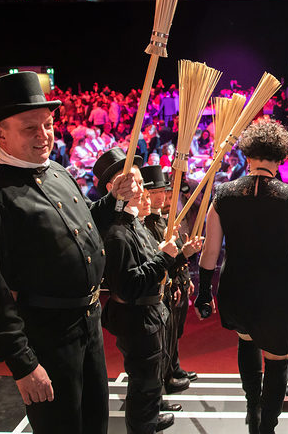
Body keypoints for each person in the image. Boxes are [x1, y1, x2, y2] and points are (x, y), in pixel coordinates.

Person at [0, 72, 139, 434]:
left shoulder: (57, 171)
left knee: (94, 424)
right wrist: (23, 364)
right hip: (46, 336)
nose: (44, 135)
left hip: (88, 323)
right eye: (30, 128)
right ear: (0, 134)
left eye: (48, 124)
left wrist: (114, 198)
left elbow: (85, 224)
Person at [193, 120, 288, 434]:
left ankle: (252, 405)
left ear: (248, 155)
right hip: (279, 293)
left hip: (238, 288)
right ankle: (266, 426)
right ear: (279, 158)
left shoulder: (224, 195)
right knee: (278, 359)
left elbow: (209, 253)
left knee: (246, 341)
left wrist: (204, 292)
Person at [94, 149, 200, 434]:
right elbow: (129, 286)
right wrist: (166, 258)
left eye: (141, 183)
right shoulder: (118, 232)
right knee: (143, 383)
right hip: (137, 316)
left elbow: (152, 263)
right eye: (133, 183)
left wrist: (175, 256)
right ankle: (143, 426)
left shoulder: (133, 224)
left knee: (151, 380)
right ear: (112, 189)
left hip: (150, 312)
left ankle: (149, 420)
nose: (141, 190)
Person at [139, 165, 200, 391]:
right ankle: (166, 377)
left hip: (175, 284)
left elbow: (173, 255)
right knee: (164, 338)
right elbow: (161, 258)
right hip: (161, 289)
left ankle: (173, 368)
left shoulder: (163, 219)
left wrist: (184, 275)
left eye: (164, 191)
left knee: (174, 333)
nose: (162, 196)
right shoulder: (146, 224)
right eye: (156, 192)